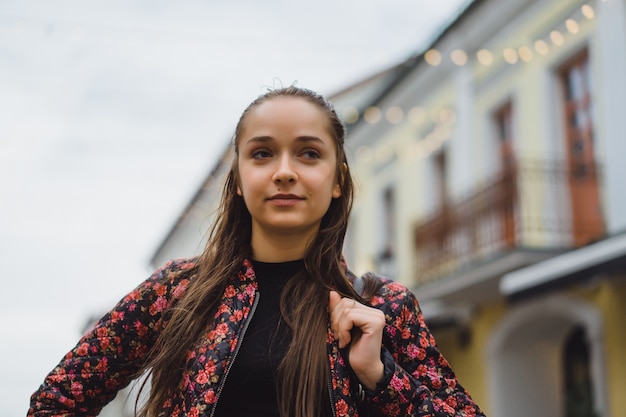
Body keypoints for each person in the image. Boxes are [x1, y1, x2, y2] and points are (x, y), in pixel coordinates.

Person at [28, 86, 485, 417]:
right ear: (240, 180)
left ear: (339, 179)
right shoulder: (178, 292)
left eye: (308, 153)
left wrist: (382, 377)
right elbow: (55, 402)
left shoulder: (383, 307)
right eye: (263, 154)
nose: (284, 172)